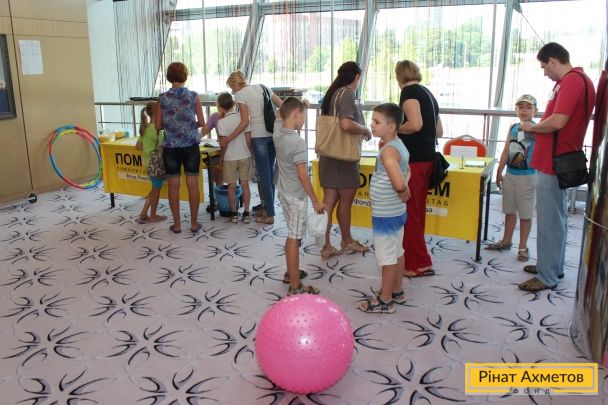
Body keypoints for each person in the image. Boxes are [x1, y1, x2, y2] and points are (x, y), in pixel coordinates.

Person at [518, 42, 595, 291]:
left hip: (553, 162)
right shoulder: (574, 81)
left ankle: (547, 276)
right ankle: (551, 265)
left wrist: (532, 127)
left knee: (550, 221)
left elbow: (559, 121)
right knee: (557, 218)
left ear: (553, 60)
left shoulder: (572, 81)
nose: (544, 72)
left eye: (544, 67)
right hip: (553, 159)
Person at [359, 103, 411, 314]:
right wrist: (404, 187)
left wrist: (402, 188)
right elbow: (407, 171)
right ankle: (397, 290)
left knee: (387, 257)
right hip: (396, 211)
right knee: (397, 251)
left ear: (391, 127)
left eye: (377, 122)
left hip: (386, 214)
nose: (371, 124)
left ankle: (385, 300)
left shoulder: (388, 152)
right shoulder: (398, 145)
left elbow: (398, 182)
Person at [319, 61, 372, 261]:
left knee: (328, 203)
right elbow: (346, 124)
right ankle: (347, 240)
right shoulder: (348, 93)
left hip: (328, 154)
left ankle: (326, 245)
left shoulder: (332, 93)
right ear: (356, 77)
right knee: (345, 203)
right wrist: (366, 129)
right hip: (344, 156)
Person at [394, 60, 443, 278]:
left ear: (399, 76)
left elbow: (415, 125)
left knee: (409, 213)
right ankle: (417, 258)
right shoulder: (427, 93)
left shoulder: (409, 93)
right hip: (428, 159)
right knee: (417, 211)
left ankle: (416, 263)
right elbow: (439, 131)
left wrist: (393, 128)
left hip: (414, 161)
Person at [274, 97, 325, 295]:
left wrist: (299, 104)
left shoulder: (277, 131)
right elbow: (303, 176)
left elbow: (279, 114)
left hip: (283, 192)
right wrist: (316, 201)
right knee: (294, 239)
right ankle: (295, 286)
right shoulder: (298, 142)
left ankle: (291, 272)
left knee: (292, 233)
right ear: (296, 113)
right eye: (304, 115)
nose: (304, 120)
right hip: (296, 197)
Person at [225, 71, 283, 225]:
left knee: (264, 176)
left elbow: (244, 122)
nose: (233, 91)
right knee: (269, 174)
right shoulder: (263, 87)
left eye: (232, 87)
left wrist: (228, 138)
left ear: (235, 84)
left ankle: (270, 214)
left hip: (258, 136)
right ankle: (267, 209)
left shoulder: (241, 94)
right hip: (272, 133)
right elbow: (283, 106)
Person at [155, 62, 205, 234]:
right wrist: (188, 125)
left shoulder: (162, 98)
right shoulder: (193, 96)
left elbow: (158, 125)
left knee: (173, 186)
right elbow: (202, 122)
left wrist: (172, 125)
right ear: (185, 76)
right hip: (191, 146)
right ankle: (194, 223)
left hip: (170, 147)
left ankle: (177, 225)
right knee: (193, 185)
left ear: (169, 76)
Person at [486, 94, 538, 262]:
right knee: (509, 211)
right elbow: (506, 150)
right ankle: (506, 241)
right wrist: (499, 170)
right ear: (516, 110)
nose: (524, 110)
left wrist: (530, 128)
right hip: (511, 175)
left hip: (528, 177)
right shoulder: (513, 128)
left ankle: (523, 247)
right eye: (520, 107)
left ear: (535, 111)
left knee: (525, 214)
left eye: (528, 107)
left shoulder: (537, 129)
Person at [215, 92, 252, 224]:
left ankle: (234, 213)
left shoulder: (221, 122)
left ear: (220, 107)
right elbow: (248, 139)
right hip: (245, 155)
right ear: (234, 103)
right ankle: (246, 213)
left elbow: (223, 144)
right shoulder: (243, 118)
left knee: (231, 186)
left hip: (230, 157)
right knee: (245, 185)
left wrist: (221, 156)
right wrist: (250, 151)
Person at [135, 101, 167, 225]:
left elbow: (138, 146)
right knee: (155, 191)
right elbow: (162, 149)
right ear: (157, 114)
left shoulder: (146, 128)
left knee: (155, 189)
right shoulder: (158, 131)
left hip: (148, 163)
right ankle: (152, 215)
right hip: (156, 165)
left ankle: (144, 213)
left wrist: (149, 148)